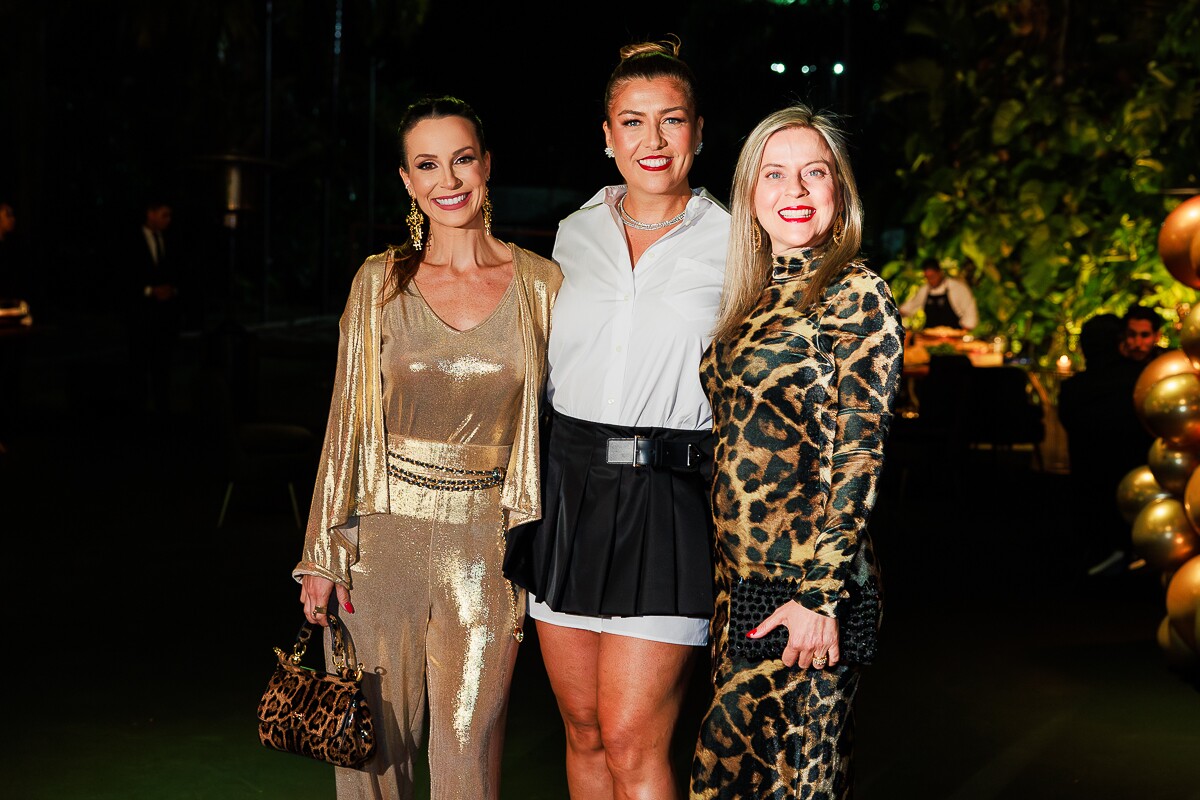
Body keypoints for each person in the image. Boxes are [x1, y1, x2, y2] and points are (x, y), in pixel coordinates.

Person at [292, 95, 562, 800]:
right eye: (428, 164)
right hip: (379, 547)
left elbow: (566, 424)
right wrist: (323, 551)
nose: (449, 179)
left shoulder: (542, 286)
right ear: (408, 182)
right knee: (369, 760)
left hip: (490, 553)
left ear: (487, 166)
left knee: (467, 759)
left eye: (462, 159)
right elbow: (343, 425)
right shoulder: (379, 284)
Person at [502, 37, 729, 798]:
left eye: (671, 120)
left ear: (700, 129)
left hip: (670, 497)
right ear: (607, 135)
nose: (652, 141)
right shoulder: (573, 234)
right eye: (633, 122)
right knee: (586, 731)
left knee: (635, 740)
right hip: (568, 492)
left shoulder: (737, 243)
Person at [691, 104, 904, 798]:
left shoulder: (856, 292)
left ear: (838, 191)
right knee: (738, 784)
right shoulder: (751, 299)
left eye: (815, 173)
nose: (797, 191)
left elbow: (861, 456)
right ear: (751, 192)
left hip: (814, 590)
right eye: (776, 174)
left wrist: (819, 598)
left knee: (800, 784)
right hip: (741, 586)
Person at [1058, 313, 1153, 576]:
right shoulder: (1141, 382)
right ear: (1119, 343)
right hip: (1137, 491)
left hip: (1087, 490)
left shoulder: (1073, 390)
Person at [125, 198, 181, 415]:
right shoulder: (133, 240)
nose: (168, 220)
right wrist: (149, 290)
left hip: (164, 316)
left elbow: (178, 270)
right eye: (164, 215)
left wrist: (172, 290)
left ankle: (161, 410)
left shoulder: (169, 240)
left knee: (162, 367)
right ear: (151, 214)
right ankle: (137, 409)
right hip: (141, 314)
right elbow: (126, 275)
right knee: (138, 365)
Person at [899, 256, 978, 331]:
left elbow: (970, 313)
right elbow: (910, 307)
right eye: (927, 278)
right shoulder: (924, 290)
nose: (931, 281)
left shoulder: (957, 288)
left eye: (933, 277)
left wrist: (962, 333)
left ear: (940, 272)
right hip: (930, 336)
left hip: (953, 336)